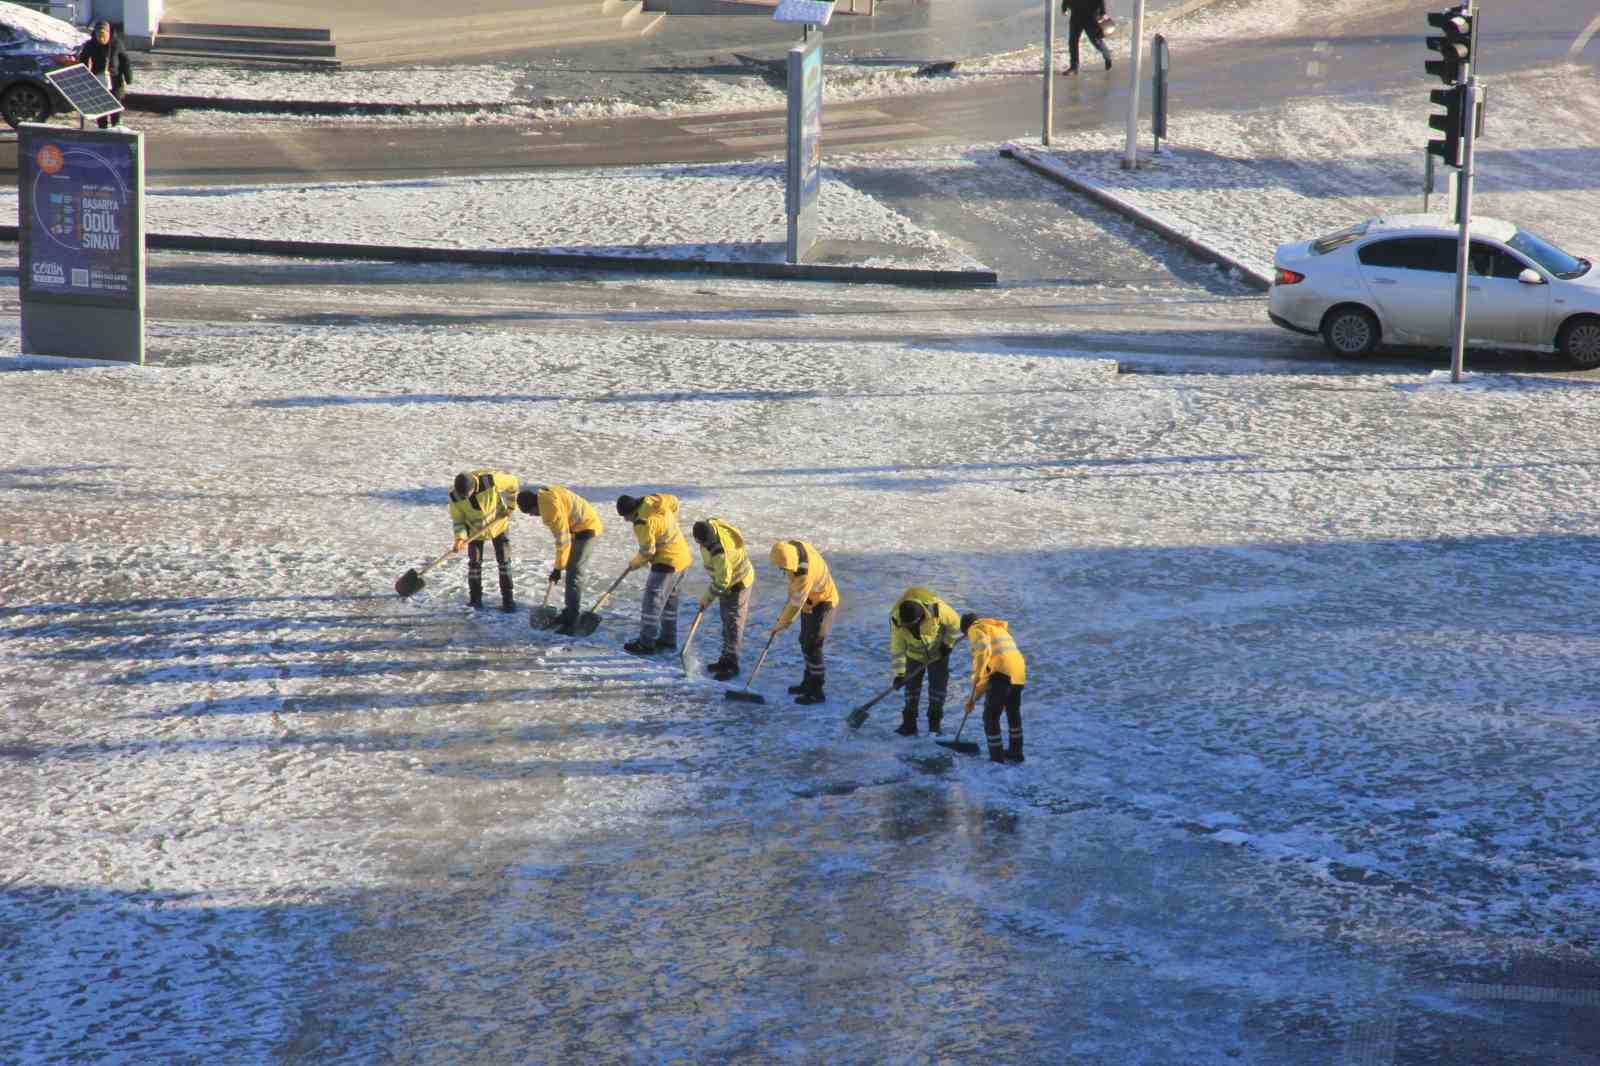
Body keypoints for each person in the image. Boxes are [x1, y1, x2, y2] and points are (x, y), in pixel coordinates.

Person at [516, 484, 604, 635]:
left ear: (533, 505)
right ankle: (569, 612)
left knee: (574, 573)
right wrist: (559, 566)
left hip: (588, 529)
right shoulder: (545, 495)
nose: (532, 516)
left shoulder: (550, 510)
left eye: (530, 512)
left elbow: (562, 541)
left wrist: (558, 568)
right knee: (571, 571)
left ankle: (572, 619)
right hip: (578, 527)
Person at [617, 493, 691, 655]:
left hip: (666, 562)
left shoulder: (642, 523)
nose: (625, 520)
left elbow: (647, 551)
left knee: (651, 603)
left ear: (631, 512)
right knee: (670, 604)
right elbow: (675, 502)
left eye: (625, 516)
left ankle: (645, 644)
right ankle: (668, 640)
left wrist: (634, 564)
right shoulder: (657, 504)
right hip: (682, 558)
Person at [768, 540, 839, 705]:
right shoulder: (796, 549)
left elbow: (795, 605)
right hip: (810, 601)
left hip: (823, 602)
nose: (782, 570)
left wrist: (780, 625)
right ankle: (808, 683)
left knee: (813, 645)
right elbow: (796, 597)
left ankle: (816, 691)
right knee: (805, 641)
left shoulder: (804, 574)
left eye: (783, 567)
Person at [888, 588, 963, 737]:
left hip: (938, 653)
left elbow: (956, 624)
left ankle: (934, 726)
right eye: (906, 626)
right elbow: (897, 648)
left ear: (920, 617)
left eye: (911, 625)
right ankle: (909, 724)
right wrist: (899, 674)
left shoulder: (937, 609)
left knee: (938, 689)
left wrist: (947, 644)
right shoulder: (897, 620)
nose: (909, 628)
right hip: (913, 655)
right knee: (911, 689)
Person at [692, 517, 755, 681]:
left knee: (733, 622)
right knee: (726, 620)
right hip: (726, 581)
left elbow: (723, 580)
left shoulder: (719, 551)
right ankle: (725, 659)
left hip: (738, 582)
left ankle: (732, 664)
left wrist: (707, 598)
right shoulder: (711, 525)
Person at [961, 612, 1027, 764]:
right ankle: (1016, 753)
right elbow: (987, 676)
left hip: (1002, 673)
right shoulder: (996, 629)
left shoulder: (975, 629)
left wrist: (977, 673)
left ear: (966, 629)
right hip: (1018, 672)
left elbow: (983, 651)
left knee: (990, 716)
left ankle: (996, 759)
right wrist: (973, 699)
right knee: (1013, 713)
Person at [449, 470, 519, 611]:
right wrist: (460, 539)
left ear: (474, 487)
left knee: (504, 563)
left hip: (498, 525)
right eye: (462, 496)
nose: (464, 498)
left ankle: (508, 602)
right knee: (474, 565)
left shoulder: (490, 480)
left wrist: (511, 506)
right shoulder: (455, 496)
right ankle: (475, 601)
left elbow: (513, 482)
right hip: (474, 532)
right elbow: (458, 520)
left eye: (467, 495)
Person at [77, 20, 133, 129]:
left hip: (115, 79)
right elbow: (83, 59)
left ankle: (115, 126)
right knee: (101, 105)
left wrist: (128, 77)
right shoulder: (90, 44)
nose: (101, 38)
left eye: (103, 35)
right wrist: (84, 75)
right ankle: (102, 127)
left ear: (108, 33)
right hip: (98, 78)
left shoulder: (117, 43)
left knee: (115, 105)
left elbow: (125, 61)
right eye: (99, 35)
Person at [1062, 0, 1113, 76]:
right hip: (1076, 16)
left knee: (1096, 41)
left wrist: (1103, 12)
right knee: (1073, 42)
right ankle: (1074, 67)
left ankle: (1107, 55)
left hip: (1091, 16)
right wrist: (1064, 8)